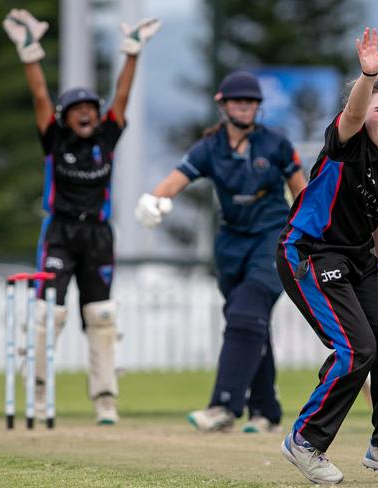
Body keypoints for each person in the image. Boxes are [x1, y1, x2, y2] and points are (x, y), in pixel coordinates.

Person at [276, 28, 378, 483]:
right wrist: (368, 75)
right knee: (356, 350)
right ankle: (305, 441)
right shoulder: (350, 140)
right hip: (310, 254)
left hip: (360, 260)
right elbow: (355, 112)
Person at [3, 8, 160, 424]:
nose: (87, 112)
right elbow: (39, 96)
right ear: (66, 116)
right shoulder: (54, 139)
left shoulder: (106, 138)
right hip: (59, 233)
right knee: (46, 317)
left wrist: (132, 52)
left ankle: (105, 400)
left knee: (101, 318)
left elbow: (122, 97)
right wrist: (29, 52)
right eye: (78, 108)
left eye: (92, 106)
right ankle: (38, 398)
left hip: (98, 236)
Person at [135, 71, 307, 433]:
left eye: (250, 102)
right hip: (231, 244)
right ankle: (266, 412)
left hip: (273, 237)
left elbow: (302, 193)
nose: (244, 107)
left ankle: (223, 406)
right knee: (250, 321)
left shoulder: (275, 144)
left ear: (258, 108)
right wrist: (153, 200)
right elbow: (175, 180)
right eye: (237, 101)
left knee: (247, 314)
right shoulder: (210, 148)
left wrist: (310, 236)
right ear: (223, 104)